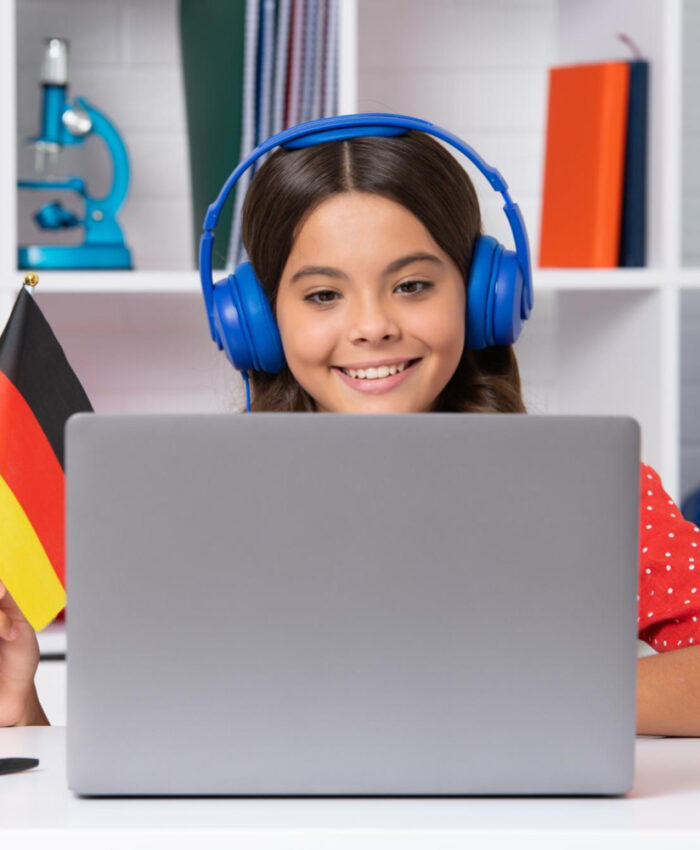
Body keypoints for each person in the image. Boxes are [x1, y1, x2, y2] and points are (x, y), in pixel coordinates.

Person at [2, 126, 700, 735]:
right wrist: (19, 706)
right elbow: (133, 745)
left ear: (485, 296)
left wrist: (527, 698)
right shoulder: (202, 512)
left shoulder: (592, 492)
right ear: (258, 321)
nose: (372, 326)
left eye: (412, 285)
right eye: (324, 295)